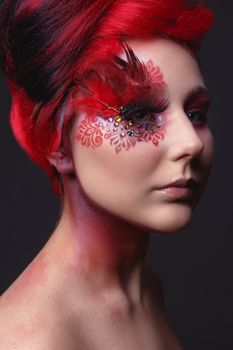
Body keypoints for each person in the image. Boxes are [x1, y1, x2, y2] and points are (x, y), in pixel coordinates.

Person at [0, 0, 214, 348]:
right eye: (139, 114)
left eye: (195, 114)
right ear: (58, 142)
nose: (191, 144)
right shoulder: (34, 339)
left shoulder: (147, 292)